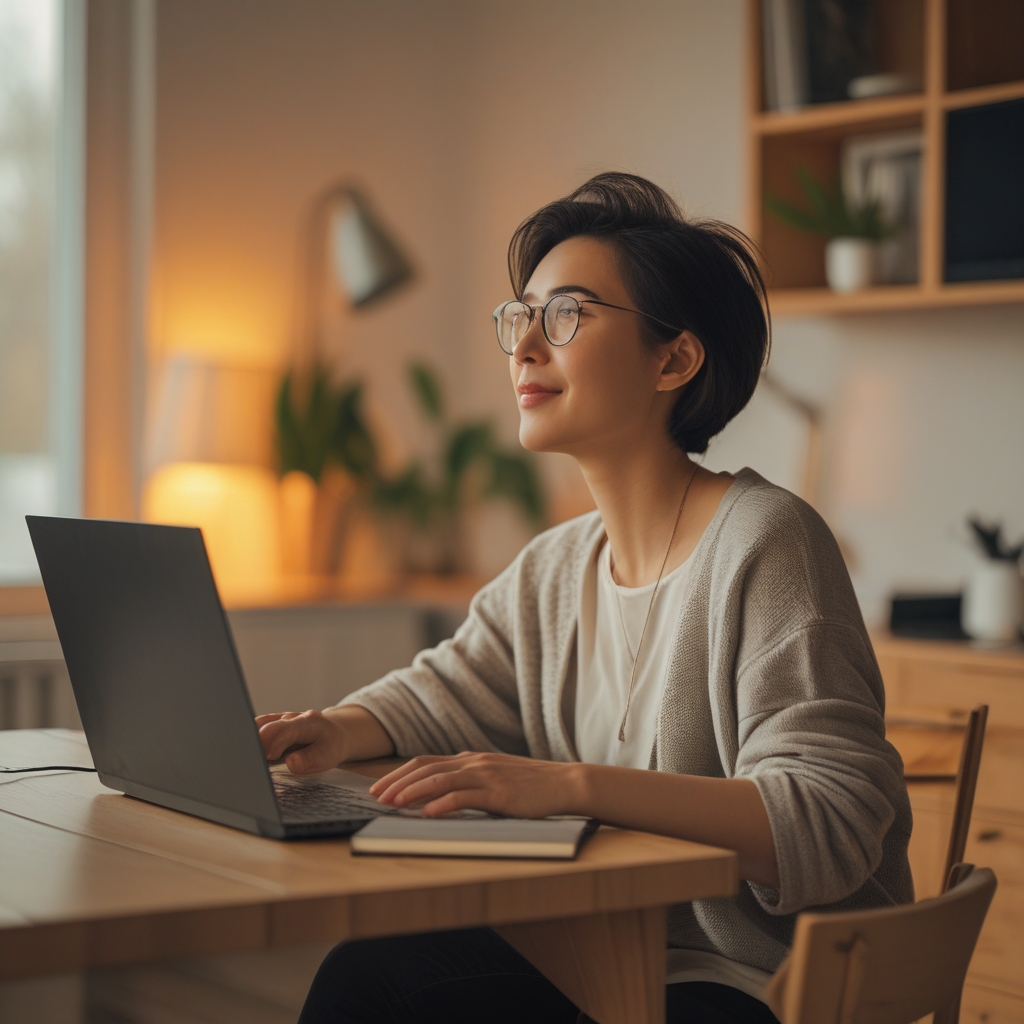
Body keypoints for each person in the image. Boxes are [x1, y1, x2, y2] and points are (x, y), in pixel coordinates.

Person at [258, 172, 913, 1024]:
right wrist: (332, 728)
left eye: (566, 314)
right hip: (599, 960)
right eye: (521, 316)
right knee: (370, 976)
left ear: (674, 358)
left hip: (754, 982)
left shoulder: (768, 542)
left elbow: (827, 821)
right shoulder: (557, 567)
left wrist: (568, 785)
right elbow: (448, 688)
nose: (526, 346)